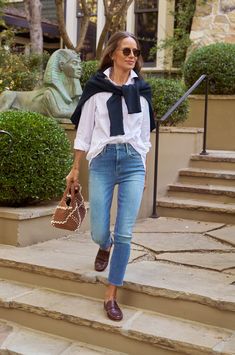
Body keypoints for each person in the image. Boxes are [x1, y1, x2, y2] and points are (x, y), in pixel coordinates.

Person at [66, 31, 155, 321]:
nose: (132, 56)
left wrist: (141, 169)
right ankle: (104, 245)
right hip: (102, 161)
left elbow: (144, 137)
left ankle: (111, 294)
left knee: (125, 233)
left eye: (136, 52)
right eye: (127, 51)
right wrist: (75, 168)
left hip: (132, 162)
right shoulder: (97, 89)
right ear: (113, 54)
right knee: (99, 229)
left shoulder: (140, 90)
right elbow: (85, 133)